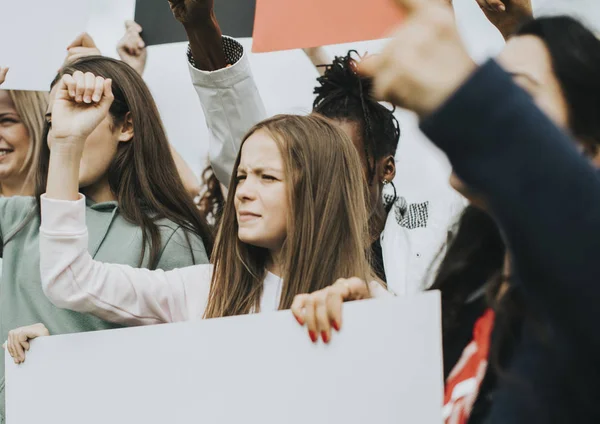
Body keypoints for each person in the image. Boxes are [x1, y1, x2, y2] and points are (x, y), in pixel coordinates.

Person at [294, 0, 600, 422]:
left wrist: (464, 93)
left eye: (519, 95)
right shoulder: (477, 305)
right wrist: (386, 330)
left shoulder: (575, 300)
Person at [168, 0, 465, 295]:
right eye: (315, 158)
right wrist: (201, 28)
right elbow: (240, 137)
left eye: (344, 161)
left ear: (386, 169)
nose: (327, 171)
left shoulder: (435, 223)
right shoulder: (291, 231)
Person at [0, 56, 212, 422]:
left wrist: (68, 358)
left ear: (126, 125)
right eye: (53, 121)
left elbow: (183, 373)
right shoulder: (18, 217)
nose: (66, 130)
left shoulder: (169, 236)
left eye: (81, 111)